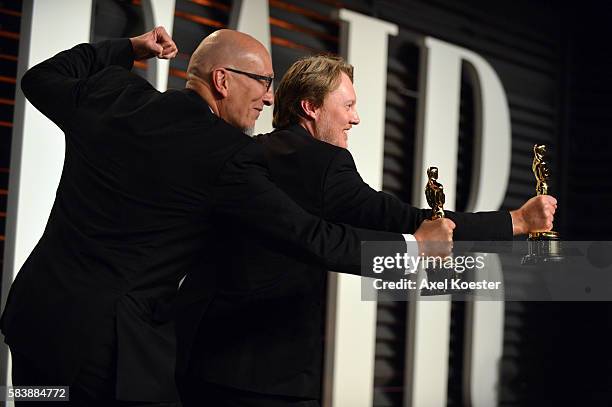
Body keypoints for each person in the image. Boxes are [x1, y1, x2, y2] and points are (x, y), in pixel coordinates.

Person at [0, 28, 424, 406]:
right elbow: (311, 237)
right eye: (263, 82)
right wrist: (414, 249)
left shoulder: (115, 96)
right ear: (223, 80)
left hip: (37, 328)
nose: (271, 97)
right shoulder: (228, 155)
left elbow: (40, 77)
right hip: (112, 357)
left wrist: (129, 47)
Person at [176, 55, 556, 406]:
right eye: (348, 105)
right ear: (310, 107)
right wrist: (518, 221)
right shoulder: (323, 163)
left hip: (194, 355)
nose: (355, 119)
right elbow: (406, 220)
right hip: (266, 377)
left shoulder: (249, 153)